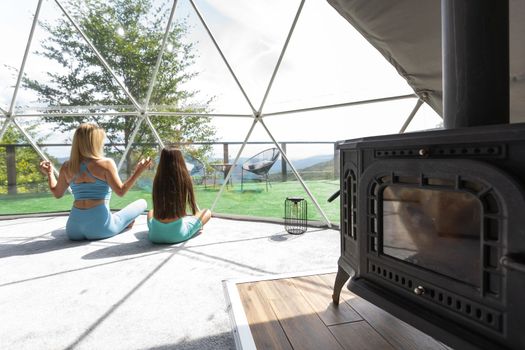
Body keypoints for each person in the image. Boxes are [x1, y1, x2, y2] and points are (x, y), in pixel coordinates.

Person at [39, 123, 152, 240]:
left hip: (73, 230)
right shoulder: (106, 164)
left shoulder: (67, 166)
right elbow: (121, 191)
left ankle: (120, 222)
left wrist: (49, 173)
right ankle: (121, 223)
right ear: (94, 143)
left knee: (117, 218)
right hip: (100, 228)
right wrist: (139, 171)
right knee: (142, 203)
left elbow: (57, 193)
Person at [147, 147, 211, 244]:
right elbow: (192, 206)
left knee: (151, 212)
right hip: (177, 235)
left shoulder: (157, 180)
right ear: (181, 161)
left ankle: (161, 230)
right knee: (207, 212)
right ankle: (189, 227)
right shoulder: (184, 179)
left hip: (154, 236)